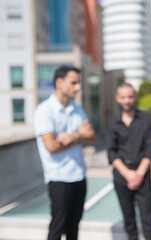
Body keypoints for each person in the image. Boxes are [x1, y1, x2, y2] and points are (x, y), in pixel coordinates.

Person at [34, 66, 96, 240]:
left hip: (79, 175)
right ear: (59, 83)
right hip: (59, 178)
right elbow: (52, 146)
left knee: (74, 226)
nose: (78, 87)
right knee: (57, 227)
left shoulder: (77, 109)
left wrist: (74, 135)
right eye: (74, 83)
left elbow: (92, 137)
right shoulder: (44, 110)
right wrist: (80, 135)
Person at [107, 83, 151, 240]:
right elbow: (111, 152)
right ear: (117, 98)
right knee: (129, 222)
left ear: (135, 96)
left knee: (147, 222)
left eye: (129, 96)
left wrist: (138, 175)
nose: (126, 100)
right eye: (123, 97)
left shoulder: (146, 119)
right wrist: (128, 175)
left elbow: (150, 150)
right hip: (122, 175)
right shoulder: (113, 122)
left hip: (142, 173)